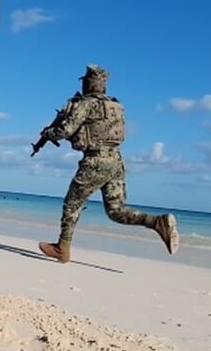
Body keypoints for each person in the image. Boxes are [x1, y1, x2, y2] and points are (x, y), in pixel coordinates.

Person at [36, 65, 179, 262]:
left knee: (72, 203)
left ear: (87, 83)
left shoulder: (86, 104)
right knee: (116, 211)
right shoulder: (115, 106)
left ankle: (63, 248)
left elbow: (66, 131)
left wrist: (49, 133)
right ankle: (156, 222)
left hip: (95, 161)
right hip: (116, 161)